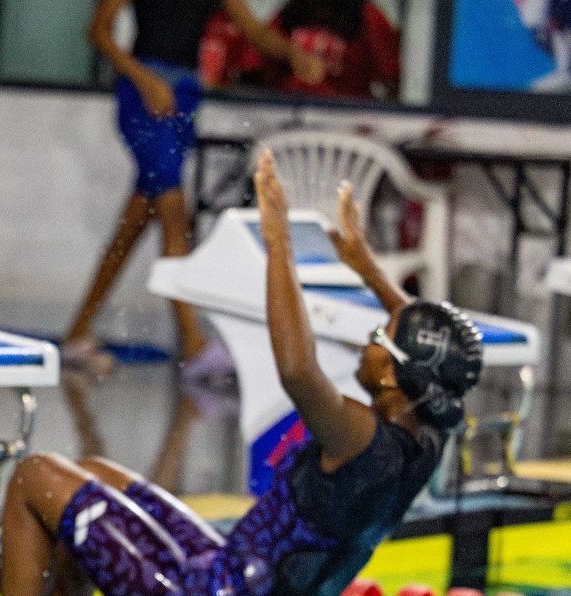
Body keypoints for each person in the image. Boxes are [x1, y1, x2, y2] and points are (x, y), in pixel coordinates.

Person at [0, 150, 480, 596]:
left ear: (390, 373)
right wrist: (364, 265)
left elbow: (297, 370)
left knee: (34, 477)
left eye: (379, 339)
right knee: (90, 479)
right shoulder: (427, 433)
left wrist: (278, 244)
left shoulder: (360, 441)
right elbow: (425, 347)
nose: (369, 339)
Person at [61, 0, 325, 379]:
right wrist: (144, 79)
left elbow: (254, 31)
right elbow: (98, 32)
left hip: (185, 95)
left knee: (136, 221)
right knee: (173, 212)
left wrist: (293, 55)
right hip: (144, 95)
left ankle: (76, 333)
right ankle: (194, 342)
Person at [229, 0, 402, 100]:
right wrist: (290, 55)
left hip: (347, 125)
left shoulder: (367, 16)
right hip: (290, 121)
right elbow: (255, 70)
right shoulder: (288, 14)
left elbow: (392, 81)